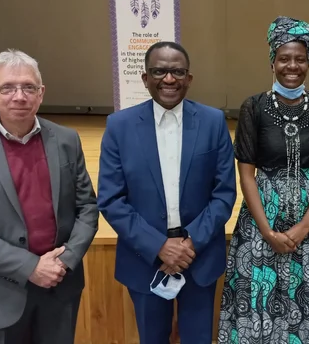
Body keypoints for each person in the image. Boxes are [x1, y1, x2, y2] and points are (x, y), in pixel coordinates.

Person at [0, 49, 99, 344]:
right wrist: (29, 267)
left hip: (59, 288)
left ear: (41, 93)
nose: (19, 96)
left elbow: (87, 208)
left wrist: (64, 261)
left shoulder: (66, 140)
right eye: (8, 88)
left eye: (29, 87)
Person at [97, 41, 237, 344]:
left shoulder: (213, 122)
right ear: (146, 78)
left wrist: (190, 244)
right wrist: (158, 245)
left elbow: (224, 193)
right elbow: (110, 199)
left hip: (198, 258)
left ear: (189, 78)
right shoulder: (119, 126)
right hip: (144, 259)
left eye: (177, 72)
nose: (169, 79)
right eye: (159, 71)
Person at [218, 16, 309, 344]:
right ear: (272, 62)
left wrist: (303, 226)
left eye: (300, 59)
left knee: (308, 294)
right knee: (260, 294)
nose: (292, 65)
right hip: (262, 214)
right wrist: (267, 230)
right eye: (284, 58)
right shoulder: (254, 107)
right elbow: (246, 173)